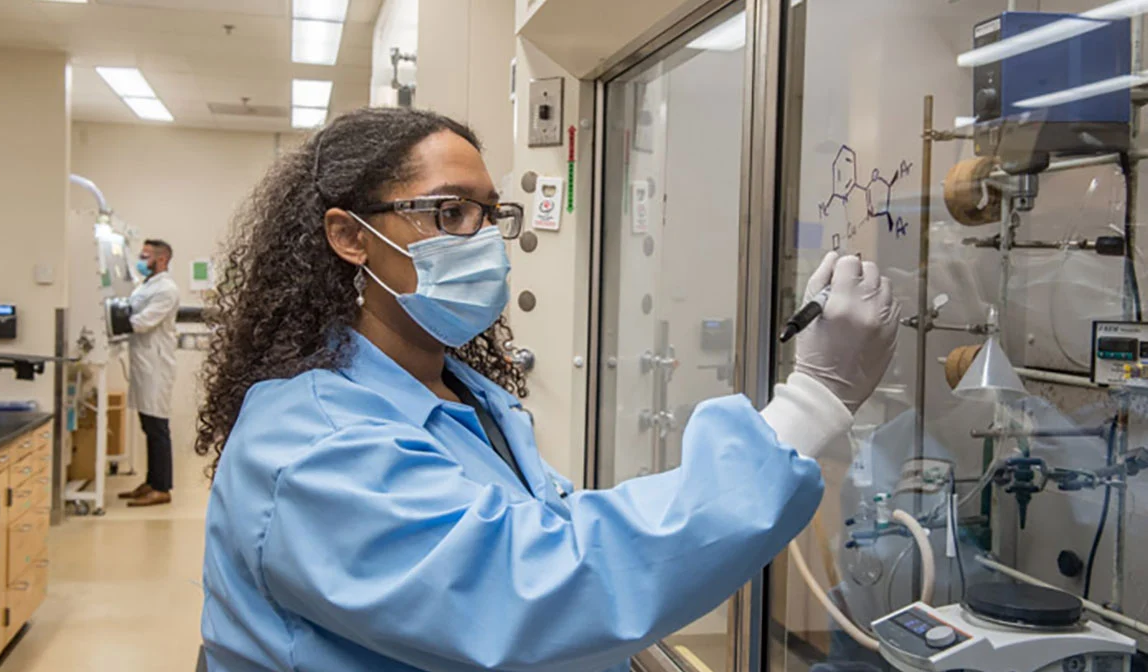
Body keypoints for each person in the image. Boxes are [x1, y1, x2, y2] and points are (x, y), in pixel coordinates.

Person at [197, 107, 900, 672]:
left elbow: (554, 530)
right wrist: (809, 405)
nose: (484, 240)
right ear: (351, 237)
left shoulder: (460, 395)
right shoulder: (312, 444)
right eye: (449, 214)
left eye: (489, 213)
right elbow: (535, 587)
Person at [119, 239, 181, 508]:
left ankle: (162, 487)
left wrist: (113, 323)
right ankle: (151, 481)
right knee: (148, 425)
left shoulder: (167, 289)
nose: (141, 261)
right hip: (144, 364)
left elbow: (143, 322)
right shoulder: (146, 285)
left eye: (146, 257)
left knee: (157, 428)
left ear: (162, 259)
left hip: (156, 366)